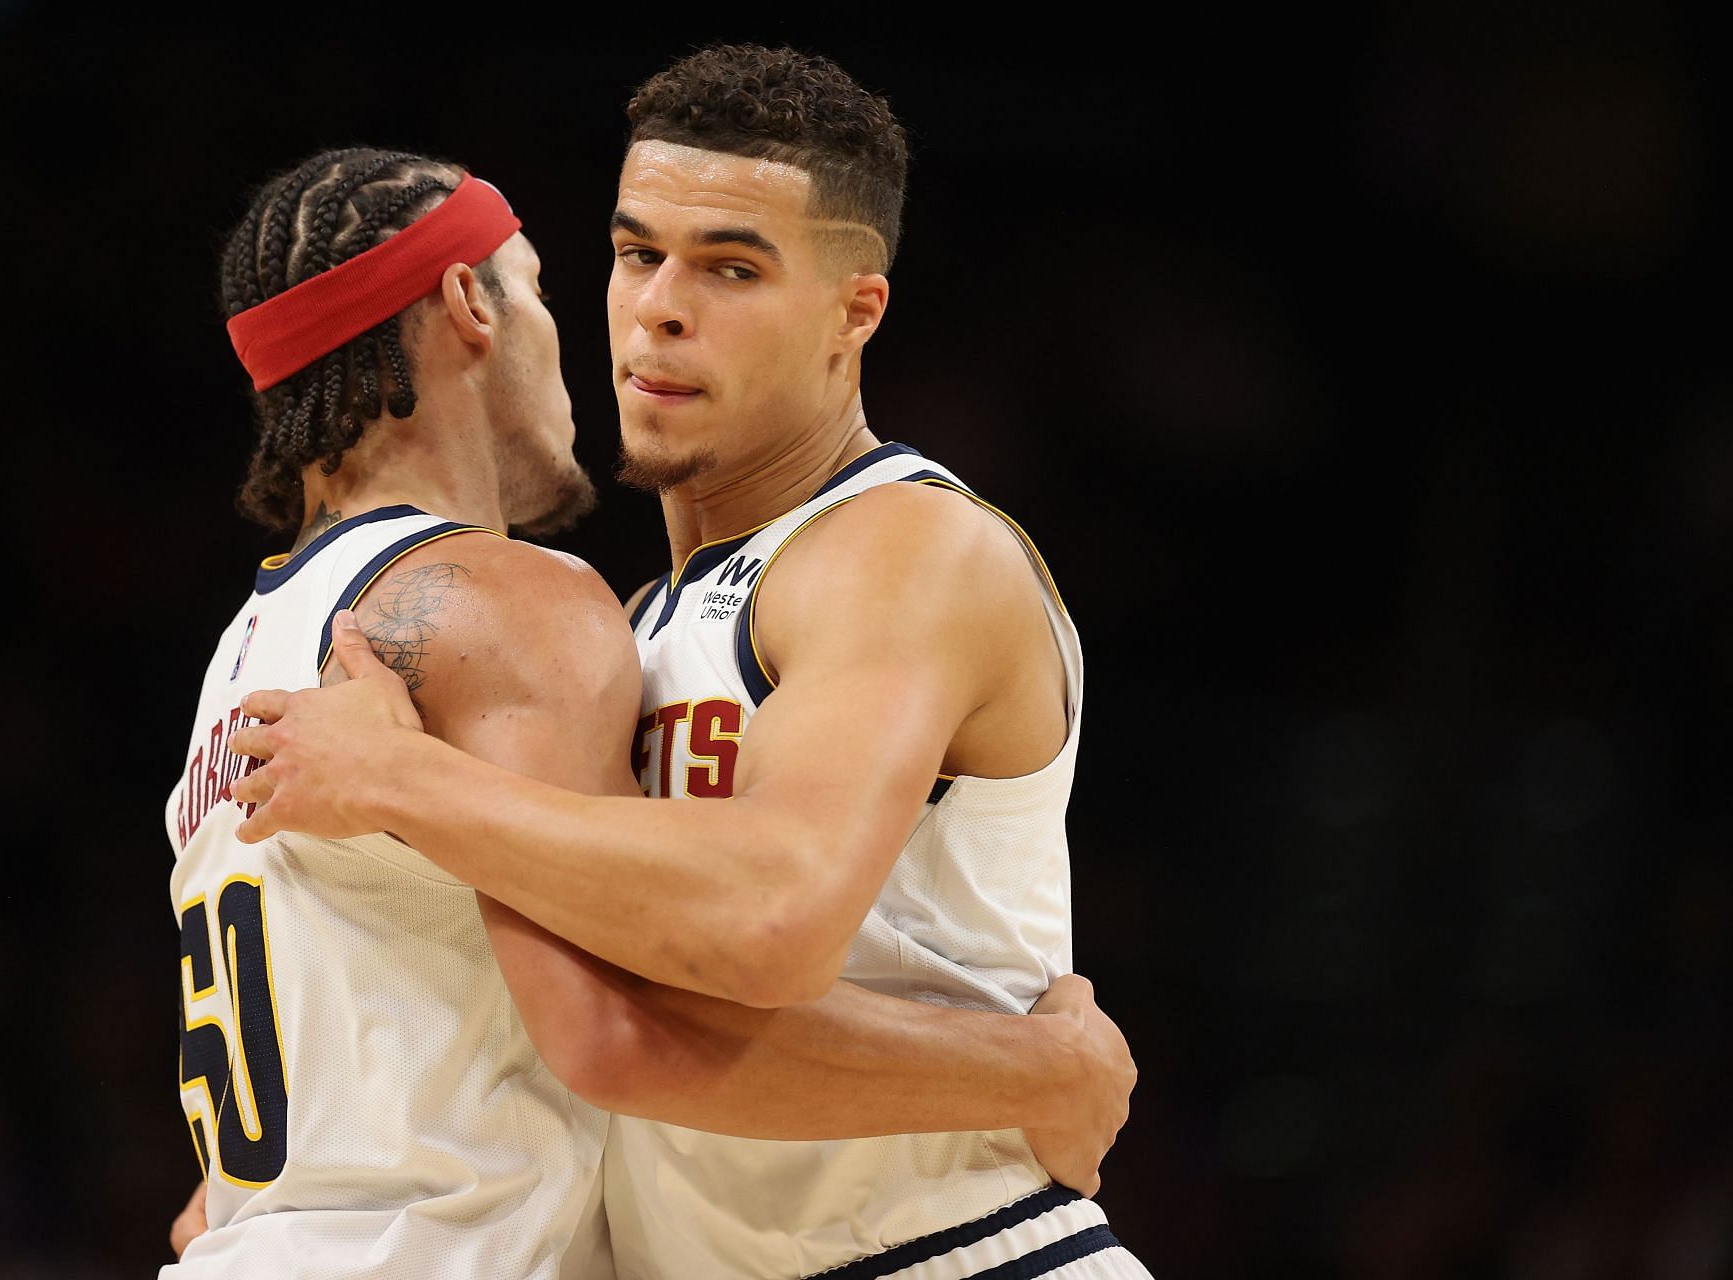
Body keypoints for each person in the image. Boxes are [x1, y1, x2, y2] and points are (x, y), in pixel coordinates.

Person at [227, 46, 1154, 1280]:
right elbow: (593, 1032)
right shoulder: (634, 620)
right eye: (634, 253)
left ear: (853, 312)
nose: (661, 305)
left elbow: (773, 915)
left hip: (957, 1252)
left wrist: (406, 786)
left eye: (731, 267)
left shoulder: (903, 546)